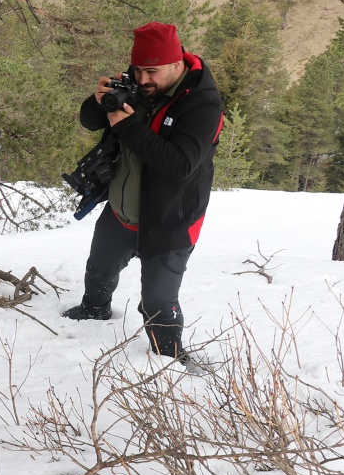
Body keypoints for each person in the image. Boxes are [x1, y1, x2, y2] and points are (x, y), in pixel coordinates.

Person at [62, 22, 223, 360]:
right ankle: (95, 311)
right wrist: (99, 102)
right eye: (138, 70)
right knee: (99, 269)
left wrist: (127, 124)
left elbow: (179, 165)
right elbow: (91, 121)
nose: (144, 79)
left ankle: (170, 359)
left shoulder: (203, 104)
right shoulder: (140, 86)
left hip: (171, 218)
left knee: (158, 302)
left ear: (177, 64)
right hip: (122, 207)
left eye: (153, 71)